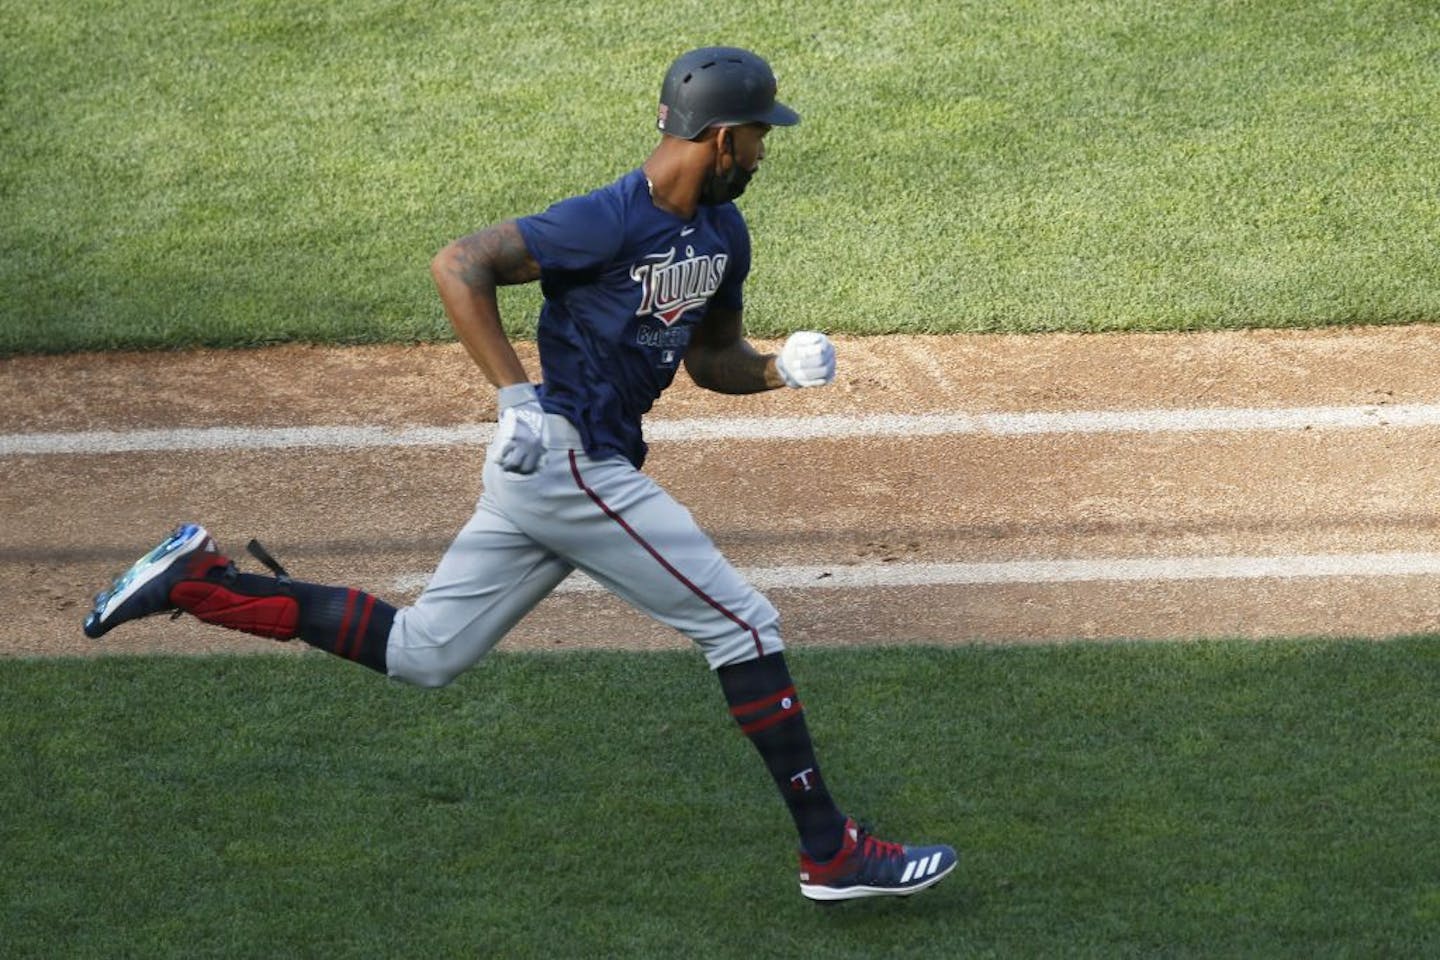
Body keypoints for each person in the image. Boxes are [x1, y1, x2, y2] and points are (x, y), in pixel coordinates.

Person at [82, 46, 956, 901]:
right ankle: (831, 852)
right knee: (746, 626)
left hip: (551, 477)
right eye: (762, 135)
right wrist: (515, 399)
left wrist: (777, 372)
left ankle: (198, 581)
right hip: (567, 460)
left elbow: (712, 357)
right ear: (723, 137)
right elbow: (459, 264)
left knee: (425, 654)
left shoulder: (724, 232)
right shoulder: (607, 218)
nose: (766, 152)